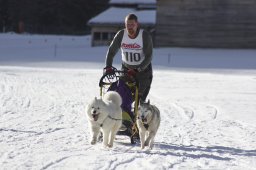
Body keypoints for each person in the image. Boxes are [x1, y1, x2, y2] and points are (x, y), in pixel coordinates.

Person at [103, 13, 153, 104]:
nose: (130, 27)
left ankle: (139, 115)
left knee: (139, 101)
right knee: (120, 97)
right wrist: (108, 66)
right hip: (126, 70)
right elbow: (111, 52)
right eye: (127, 25)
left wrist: (138, 69)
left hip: (143, 72)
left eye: (132, 25)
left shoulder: (144, 36)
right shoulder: (121, 35)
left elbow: (149, 56)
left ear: (137, 24)